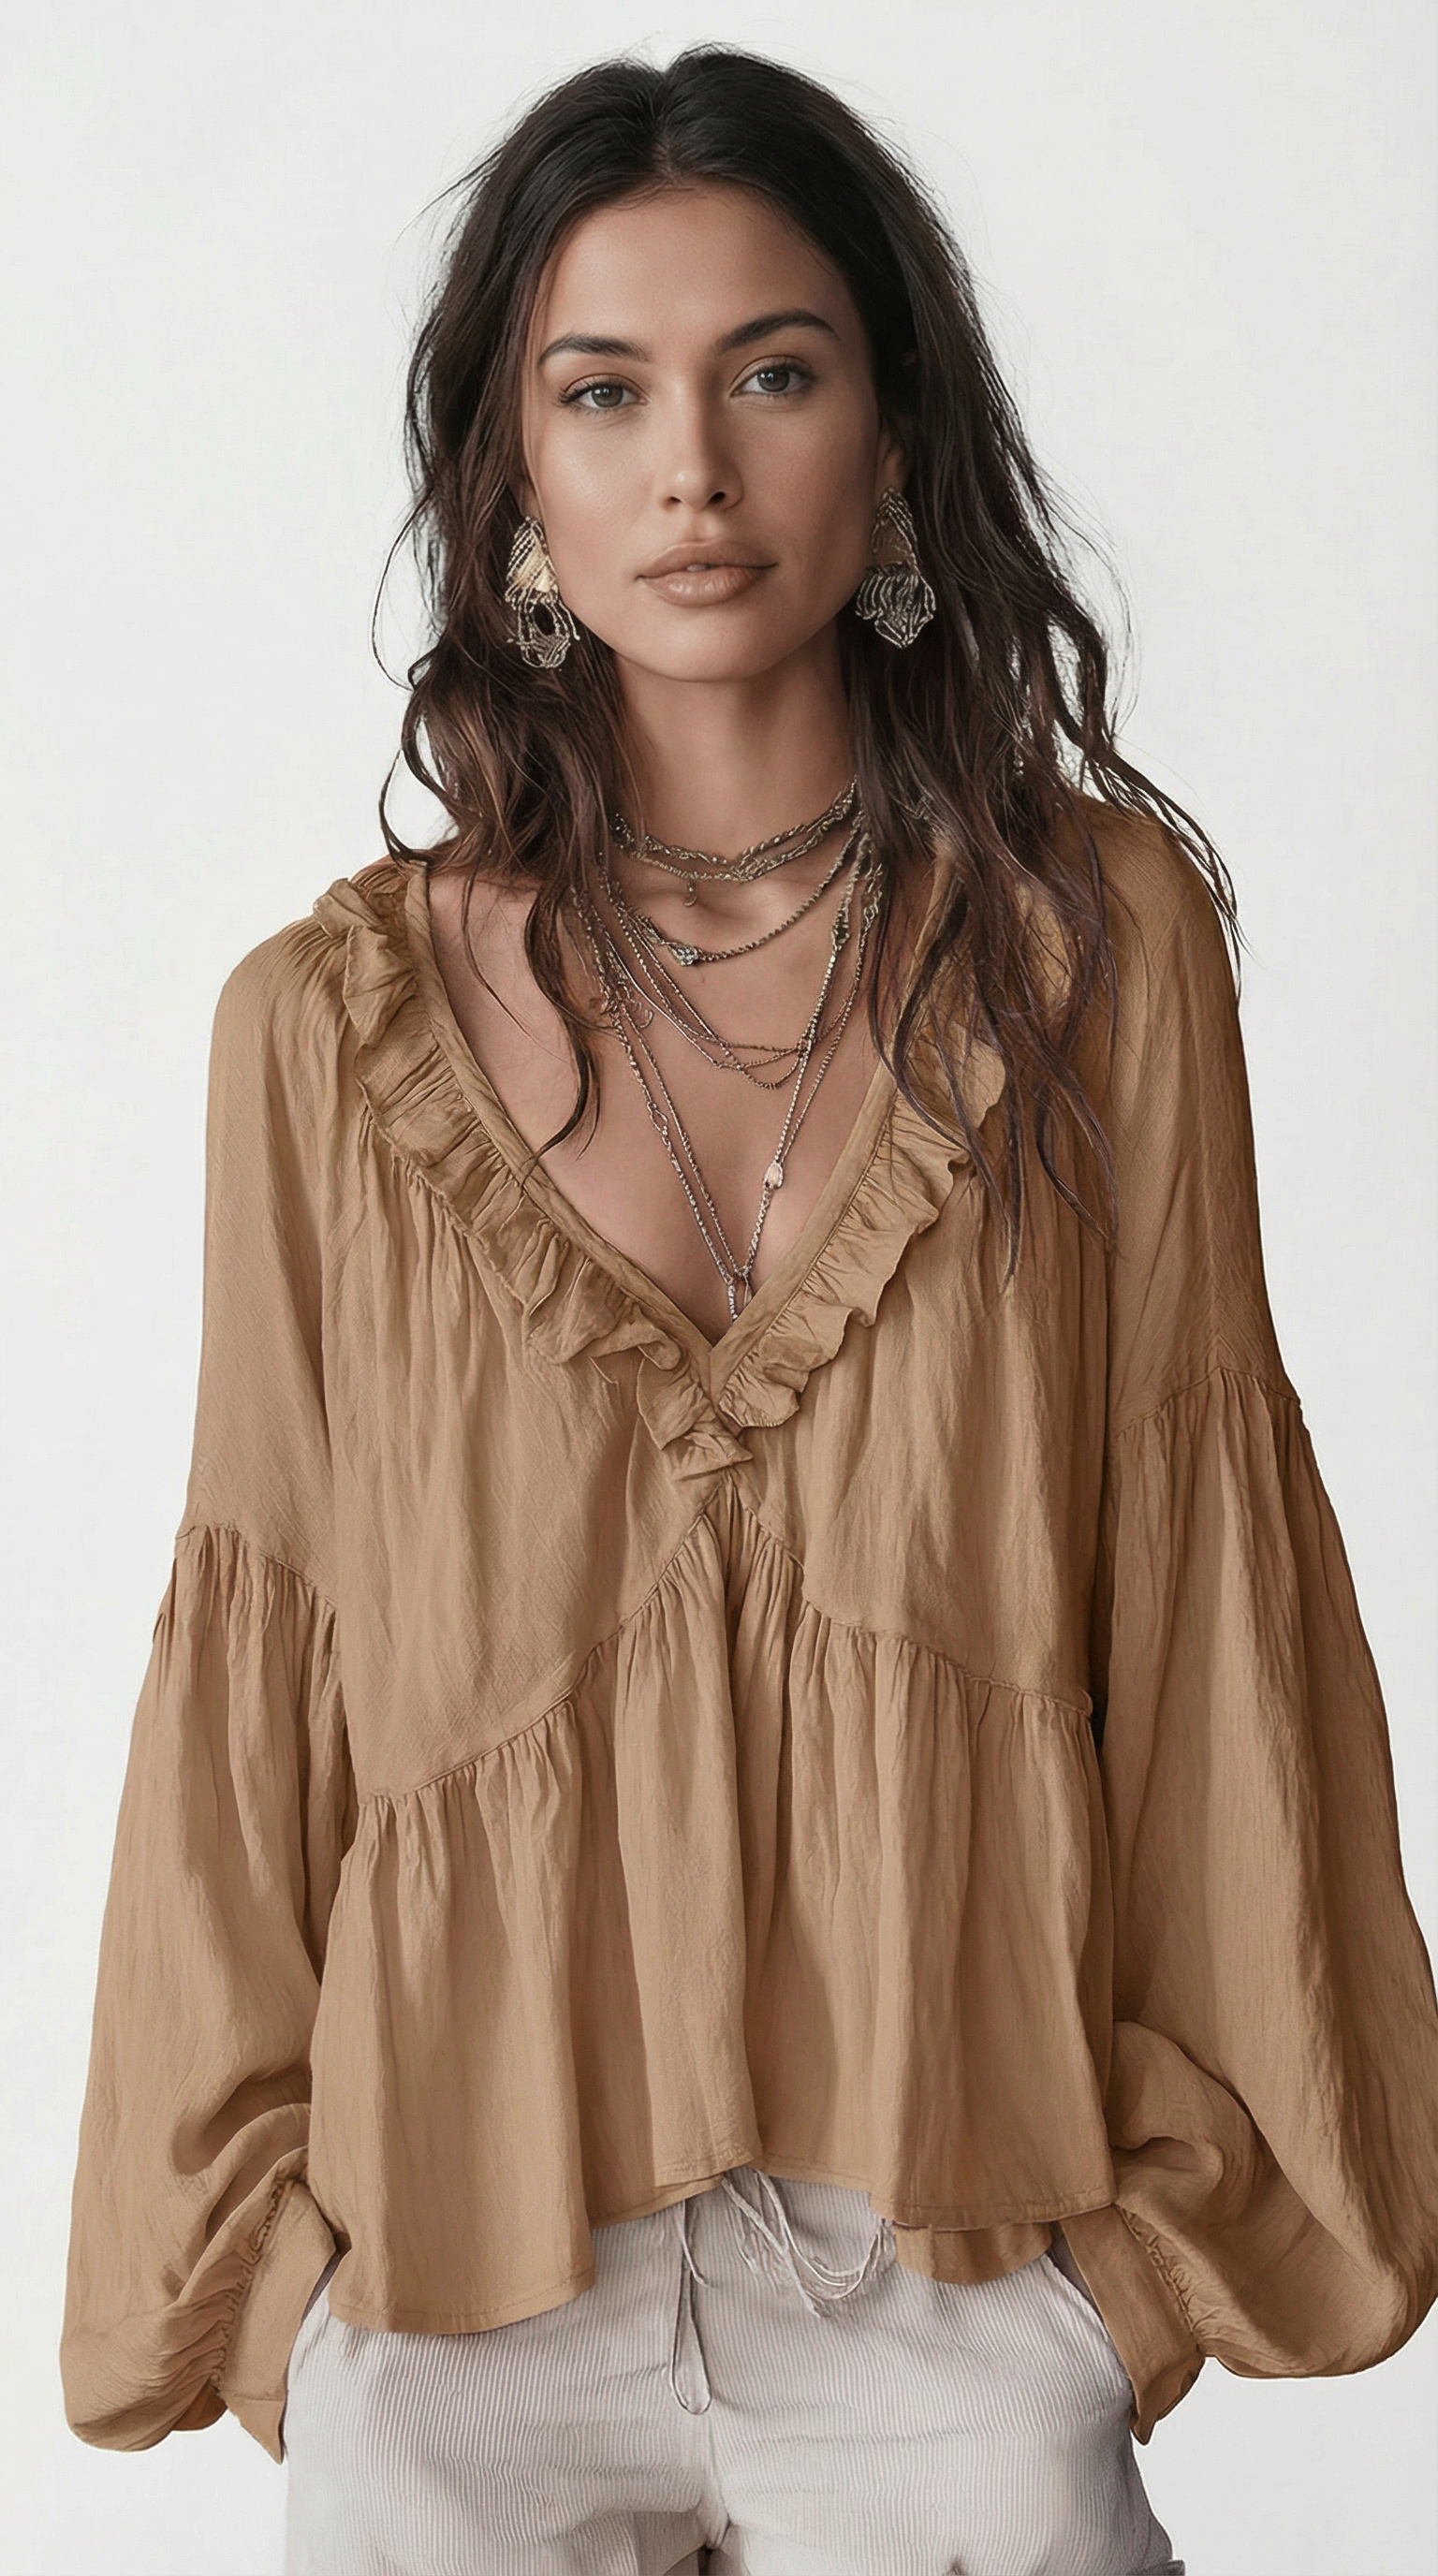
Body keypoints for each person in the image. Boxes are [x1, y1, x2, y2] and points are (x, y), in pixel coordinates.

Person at [61, 43, 1438, 2576]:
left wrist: (1115, 2305)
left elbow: (1219, 1621)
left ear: (893, 450)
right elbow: (265, 1666)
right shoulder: (319, 1030)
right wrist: (299, 2329)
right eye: (602, 392)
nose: (690, 467)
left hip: (947, 2278)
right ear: (512, 487)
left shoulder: (1087, 960)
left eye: (773, 374)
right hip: (465, 2315)